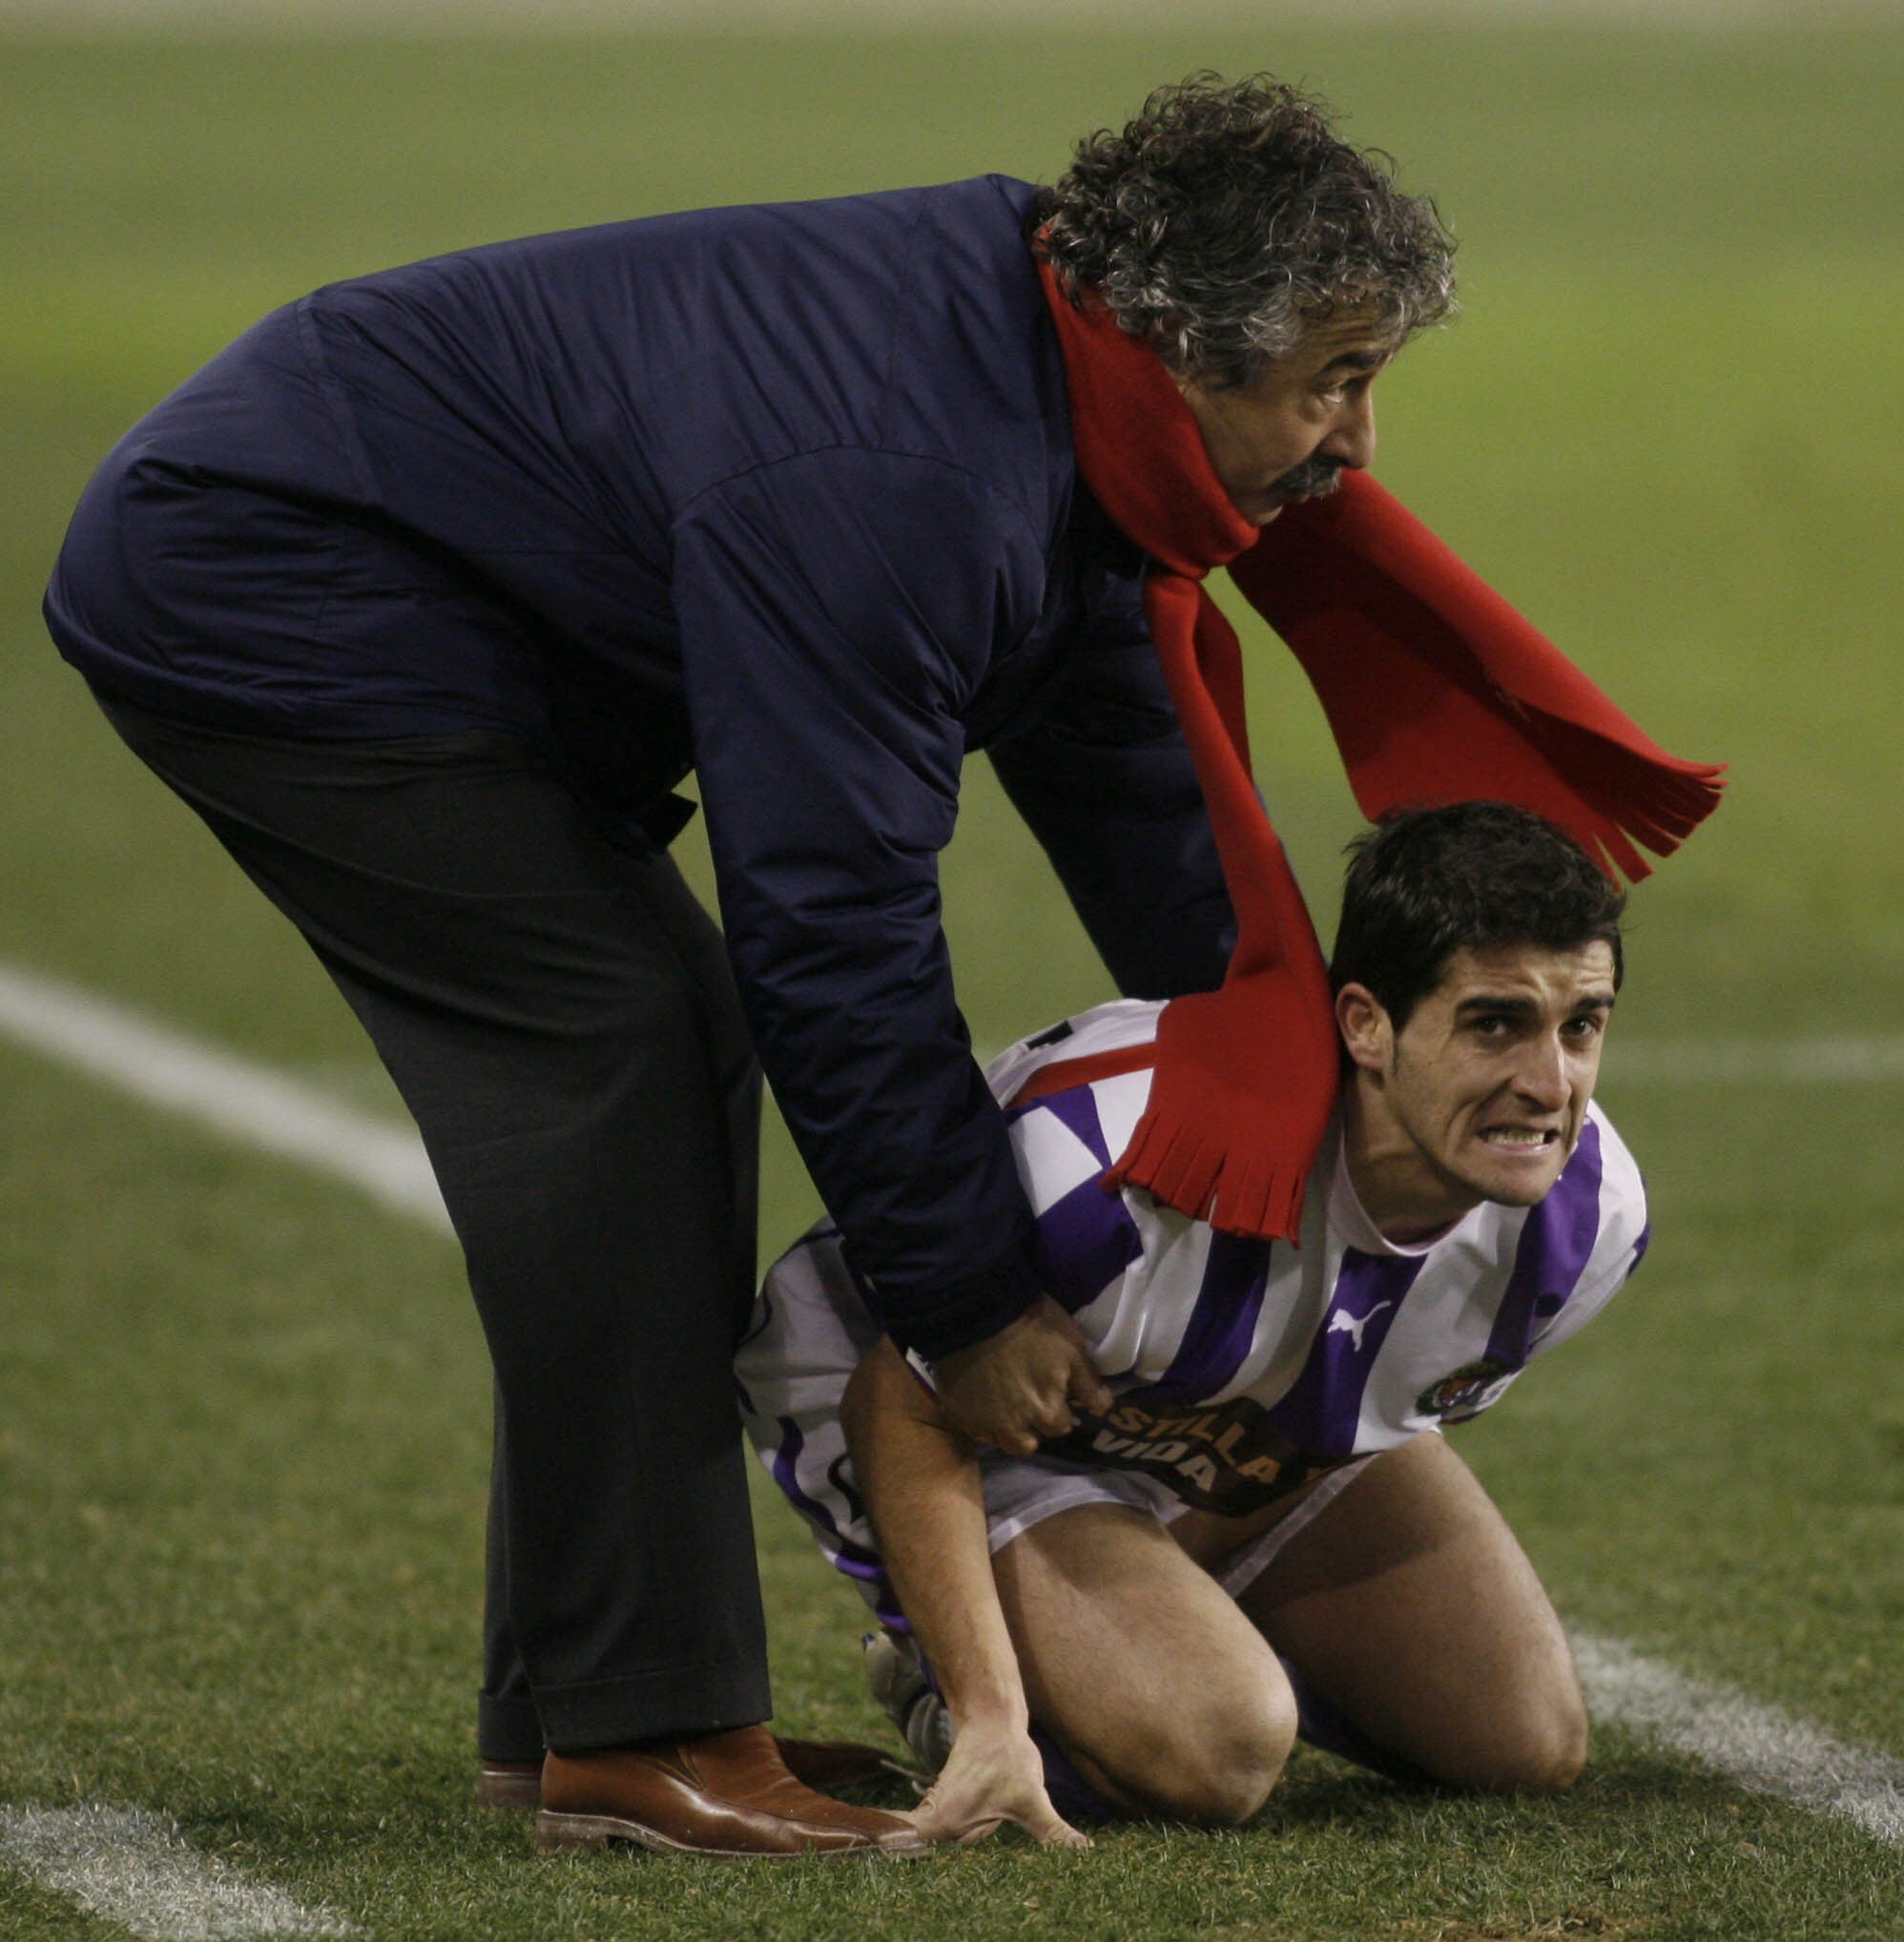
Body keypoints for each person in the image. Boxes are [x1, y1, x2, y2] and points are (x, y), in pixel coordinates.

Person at [43, 71, 1711, 1857]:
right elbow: (829, 912)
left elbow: (1131, 774)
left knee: (653, 1041)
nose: (1359, 448)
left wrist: (1305, 1085)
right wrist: (968, 1300)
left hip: (420, 562)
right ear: (1185, 355)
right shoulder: (907, 477)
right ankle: (640, 1734)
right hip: (269, 575)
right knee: (625, 1039)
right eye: (1332, 383)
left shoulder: (1060, 366)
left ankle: (574, 1726)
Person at [735, 803, 1646, 1847]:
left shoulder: (1589, 1224)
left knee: (1522, 1738)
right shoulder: (1131, 1161)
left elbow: (1341, 1412)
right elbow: (902, 1395)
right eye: (1494, 1022)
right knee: (1221, 1743)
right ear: (1366, 1025)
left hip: (1222, 1425)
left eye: (1580, 1025)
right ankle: (974, 1686)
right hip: (946, 1415)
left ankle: (1137, 1647)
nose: (1549, 1084)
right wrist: (994, 1711)